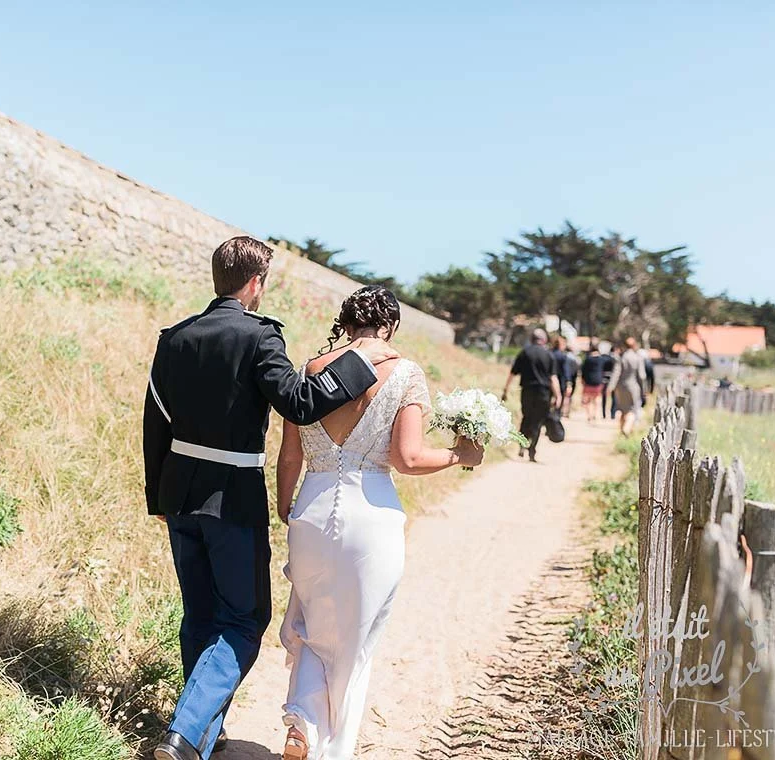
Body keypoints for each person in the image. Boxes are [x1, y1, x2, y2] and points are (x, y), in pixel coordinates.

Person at [144, 237, 399, 760]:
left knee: (200, 615)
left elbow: (155, 423)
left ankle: (203, 739)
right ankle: (185, 733)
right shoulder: (261, 337)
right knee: (242, 619)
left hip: (178, 495)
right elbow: (302, 405)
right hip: (231, 499)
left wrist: (159, 495)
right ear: (256, 283)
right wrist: (361, 361)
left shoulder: (175, 338)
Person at [274, 286, 484, 759]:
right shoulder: (406, 374)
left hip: (312, 504)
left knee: (310, 618)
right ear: (389, 326)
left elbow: (289, 453)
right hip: (372, 518)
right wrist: (458, 454)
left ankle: (303, 720)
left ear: (345, 323)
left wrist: (285, 505)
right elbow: (407, 458)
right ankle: (333, 749)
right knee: (356, 639)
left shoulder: (312, 370)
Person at [501, 328, 562, 463]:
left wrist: (505, 389)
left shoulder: (525, 353)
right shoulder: (548, 355)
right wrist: (558, 395)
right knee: (538, 422)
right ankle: (532, 450)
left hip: (527, 391)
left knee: (526, 417)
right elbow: (553, 378)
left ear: (531, 339)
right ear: (544, 340)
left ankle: (522, 445)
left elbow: (512, 373)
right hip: (544, 393)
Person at [608, 336, 648, 437]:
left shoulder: (621, 358)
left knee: (622, 409)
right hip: (633, 387)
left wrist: (611, 387)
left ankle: (622, 431)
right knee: (632, 410)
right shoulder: (637, 358)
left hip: (620, 387)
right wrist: (644, 390)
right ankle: (626, 429)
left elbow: (616, 373)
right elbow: (642, 376)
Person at [579, 342, 606, 423]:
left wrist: (582, 380)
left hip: (588, 381)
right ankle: (595, 414)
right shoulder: (601, 359)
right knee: (597, 398)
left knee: (588, 399)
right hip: (598, 380)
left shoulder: (588, 359)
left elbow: (583, 370)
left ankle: (589, 415)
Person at [600, 347, 617, 419]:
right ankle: (612, 414)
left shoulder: (603, 358)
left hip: (604, 379)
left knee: (604, 397)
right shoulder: (616, 359)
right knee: (614, 398)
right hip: (613, 380)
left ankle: (604, 413)